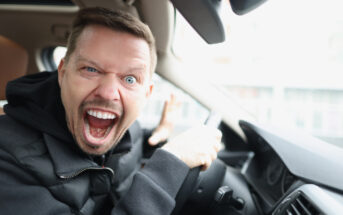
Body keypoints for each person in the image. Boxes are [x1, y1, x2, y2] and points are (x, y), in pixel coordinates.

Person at [0, 7, 221, 215]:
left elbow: (127, 144)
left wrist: (157, 137)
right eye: (91, 69)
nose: (108, 93)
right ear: (63, 73)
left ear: (147, 93)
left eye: (130, 79)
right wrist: (169, 167)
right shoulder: (7, 160)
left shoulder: (124, 127)